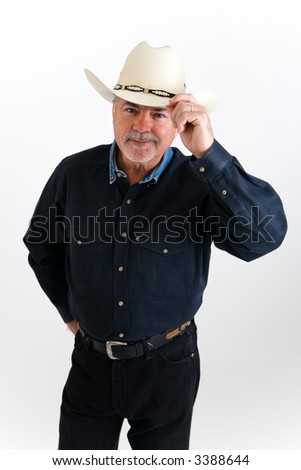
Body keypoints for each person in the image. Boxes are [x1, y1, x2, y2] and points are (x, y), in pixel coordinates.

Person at [23, 41, 287, 450]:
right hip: (90, 364)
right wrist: (69, 312)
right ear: (113, 111)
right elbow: (42, 247)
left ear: (179, 122)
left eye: (158, 114)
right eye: (130, 109)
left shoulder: (201, 181)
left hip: (169, 365)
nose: (141, 125)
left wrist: (209, 153)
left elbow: (263, 238)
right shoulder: (73, 174)